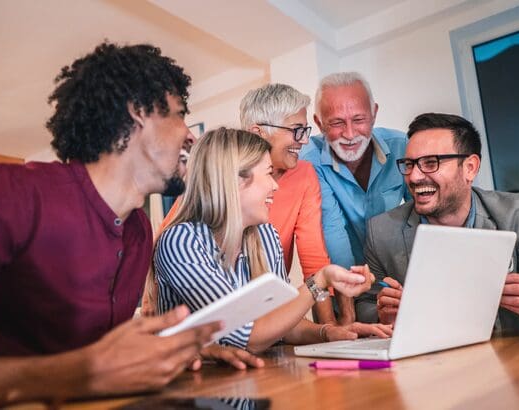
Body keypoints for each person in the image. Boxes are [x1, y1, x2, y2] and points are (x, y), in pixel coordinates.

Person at [0, 42, 237, 408]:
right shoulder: (4, 194)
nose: (190, 135)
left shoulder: (139, 230)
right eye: (178, 114)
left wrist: (171, 354)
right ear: (137, 112)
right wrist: (72, 373)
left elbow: (95, 358)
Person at [152, 127, 393, 353]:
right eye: (268, 174)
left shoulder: (265, 234)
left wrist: (330, 333)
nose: (275, 186)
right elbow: (246, 337)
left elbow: (283, 324)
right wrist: (319, 281)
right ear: (235, 181)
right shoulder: (180, 242)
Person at [363, 113, 519, 333]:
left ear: (470, 168)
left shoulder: (518, 214)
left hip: (512, 360)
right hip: (433, 366)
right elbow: (364, 307)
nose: (413, 177)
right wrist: (382, 315)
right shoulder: (382, 232)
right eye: (410, 164)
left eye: (431, 163)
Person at [144, 84, 343, 325]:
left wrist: (330, 332)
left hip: (259, 314)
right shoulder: (188, 234)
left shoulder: (269, 232)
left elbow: (313, 259)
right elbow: (168, 240)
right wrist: (150, 300)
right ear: (259, 132)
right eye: (296, 130)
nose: (303, 140)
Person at [300, 72, 408, 323]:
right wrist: (348, 323)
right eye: (337, 123)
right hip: (341, 293)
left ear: (374, 113)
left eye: (359, 119)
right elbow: (333, 234)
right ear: (318, 122)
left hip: (394, 287)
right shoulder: (309, 161)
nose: (350, 134)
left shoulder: (402, 146)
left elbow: (423, 218)